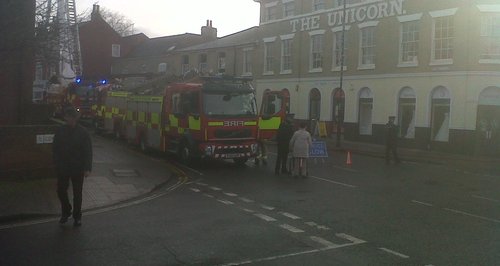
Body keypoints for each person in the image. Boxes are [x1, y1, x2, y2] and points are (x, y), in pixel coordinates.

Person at [53, 106, 93, 227]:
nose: (69, 119)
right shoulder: (60, 131)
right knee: (61, 191)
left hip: (78, 167)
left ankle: (77, 217)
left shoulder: (83, 132)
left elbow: (88, 151)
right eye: (67, 117)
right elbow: (55, 149)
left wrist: (87, 168)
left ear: (75, 119)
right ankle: (66, 210)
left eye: (71, 118)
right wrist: (57, 163)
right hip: (63, 167)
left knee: (77, 194)